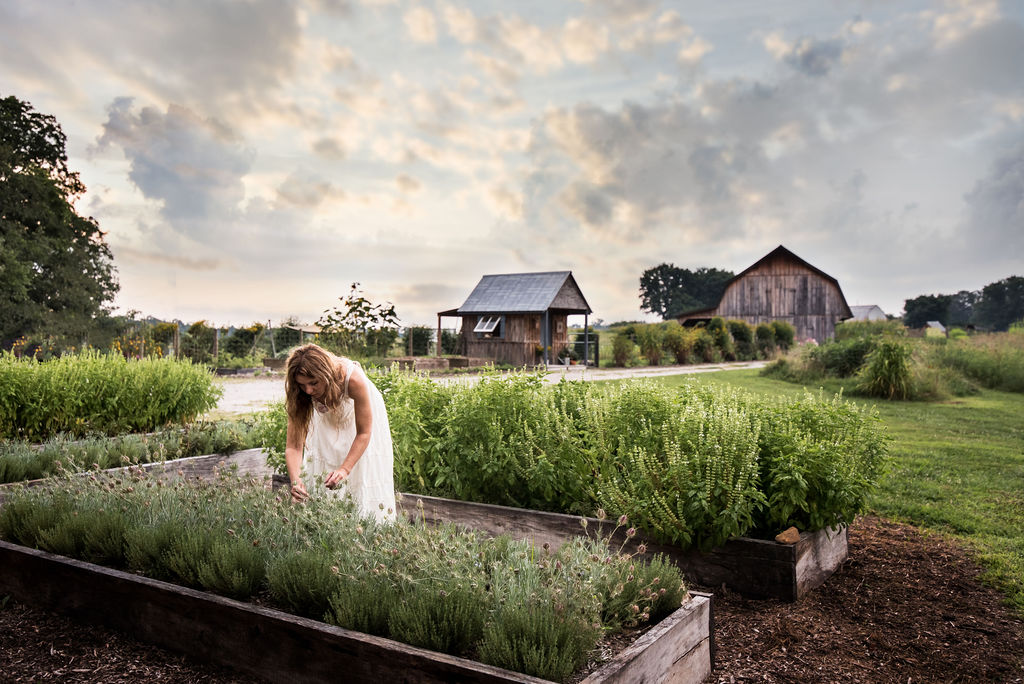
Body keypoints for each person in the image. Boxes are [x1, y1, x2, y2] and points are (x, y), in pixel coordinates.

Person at [284, 344, 396, 522]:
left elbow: (364, 433)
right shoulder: (301, 392)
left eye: (314, 383)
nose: (309, 391)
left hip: (358, 424)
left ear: (326, 375)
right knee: (322, 465)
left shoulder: (353, 379)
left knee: (359, 472)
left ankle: (366, 530)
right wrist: (296, 481)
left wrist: (344, 469)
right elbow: (293, 446)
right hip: (327, 425)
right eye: (302, 384)